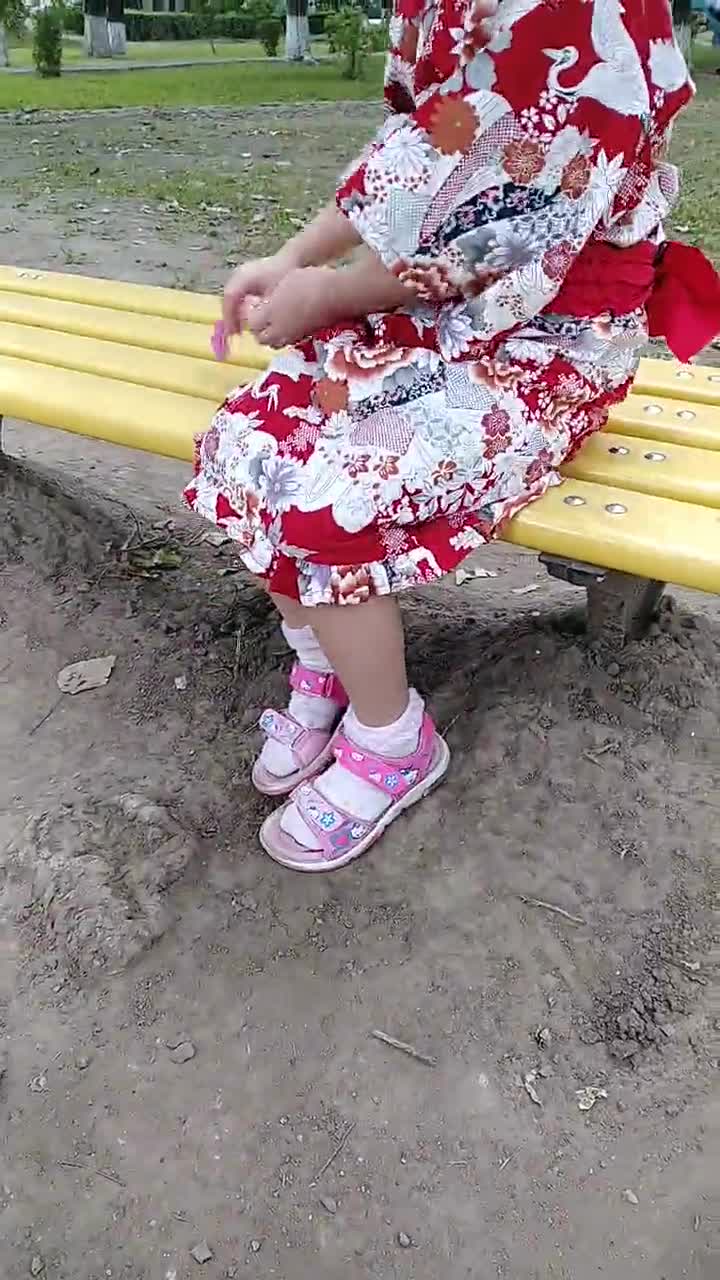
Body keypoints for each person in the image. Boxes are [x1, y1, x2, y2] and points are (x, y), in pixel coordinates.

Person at [185, 0, 720, 873]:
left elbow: (507, 231)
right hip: (444, 312)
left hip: (550, 342)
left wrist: (328, 294)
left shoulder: (576, 18)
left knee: (333, 502)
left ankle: (392, 741)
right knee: (248, 442)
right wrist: (291, 259)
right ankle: (327, 660)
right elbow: (425, 145)